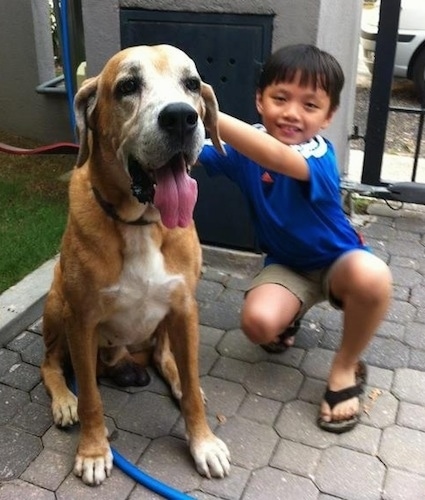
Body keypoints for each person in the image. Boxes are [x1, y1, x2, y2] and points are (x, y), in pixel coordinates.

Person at [199, 44, 392, 433]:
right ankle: (289, 316)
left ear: (328, 116)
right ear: (259, 100)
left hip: (339, 265)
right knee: (257, 324)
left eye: (310, 105)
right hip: (288, 266)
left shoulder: (318, 157)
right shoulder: (245, 148)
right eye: (280, 98)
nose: (291, 113)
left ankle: (345, 367)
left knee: (373, 276)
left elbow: (276, 158)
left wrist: (202, 108)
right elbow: (196, 153)